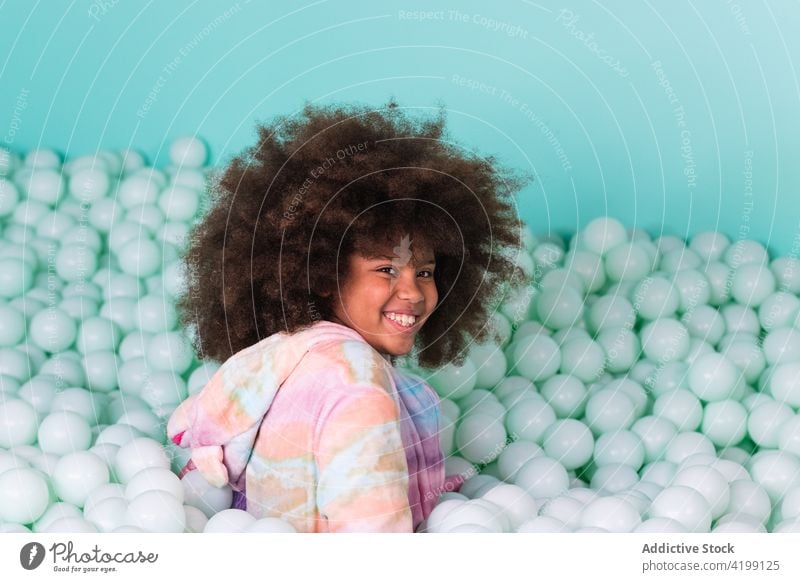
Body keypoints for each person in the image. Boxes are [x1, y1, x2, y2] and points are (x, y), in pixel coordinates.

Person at [167, 98, 529, 532]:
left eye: (427, 271)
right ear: (325, 275)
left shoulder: (294, 355)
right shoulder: (357, 382)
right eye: (386, 269)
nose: (412, 291)